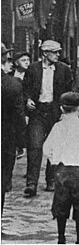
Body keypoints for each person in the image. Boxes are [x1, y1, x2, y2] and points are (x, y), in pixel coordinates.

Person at [43, 92, 79, 244]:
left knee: (61, 204)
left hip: (63, 171)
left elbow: (47, 148)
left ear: (61, 109)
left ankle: (61, 237)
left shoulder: (58, 127)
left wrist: (55, 160)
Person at [23, 40, 73, 197]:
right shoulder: (33, 69)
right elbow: (25, 88)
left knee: (54, 147)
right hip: (38, 111)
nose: (58, 55)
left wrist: (64, 108)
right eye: (55, 52)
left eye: (59, 52)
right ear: (45, 53)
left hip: (55, 112)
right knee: (35, 146)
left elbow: (69, 91)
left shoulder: (64, 70)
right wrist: (28, 100)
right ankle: (32, 183)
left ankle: (51, 180)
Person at [1, 43, 26, 212]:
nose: (10, 63)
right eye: (7, 59)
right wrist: (21, 143)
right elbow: (18, 117)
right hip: (5, 140)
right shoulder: (13, 85)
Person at [12, 51, 31, 159]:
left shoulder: (31, 75)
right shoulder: (10, 75)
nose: (27, 63)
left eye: (28, 60)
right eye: (23, 60)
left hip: (26, 108)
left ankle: (21, 148)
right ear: (16, 63)